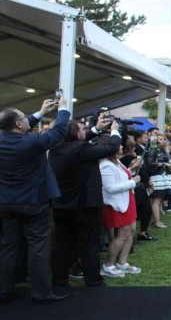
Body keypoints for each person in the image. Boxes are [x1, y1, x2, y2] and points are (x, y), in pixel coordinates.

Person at [0, 96, 70, 303]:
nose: (28, 119)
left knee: (8, 247)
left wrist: (40, 113)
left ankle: (4, 289)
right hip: (35, 202)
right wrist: (63, 110)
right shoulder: (32, 142)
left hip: (5, 202)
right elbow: (58, 132)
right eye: (25, 117)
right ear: (19, 124)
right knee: (38, 248)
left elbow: (15, 124)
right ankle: (41, 292)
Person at [47, 115, 121, 288]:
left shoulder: (56, 149)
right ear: (74, 133)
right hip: (84, 205)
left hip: (61, 205)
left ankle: (59, 281)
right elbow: (111, 147)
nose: (85, 132)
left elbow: (76, 144)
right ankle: (93, 281)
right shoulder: (81, 149)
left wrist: (96, 129)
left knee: (62, 244)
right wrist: (115, 131)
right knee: (88, 244)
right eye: (82, 129)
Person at [99, 136, 142, 278]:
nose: (122, 147)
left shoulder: (116, 162)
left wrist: (132, 169)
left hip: (126, 200)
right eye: (119, 145)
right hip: (115, 204)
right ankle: (108, 265)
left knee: (131, 231)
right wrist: (133, 182)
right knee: (122, 234)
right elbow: (110, 188)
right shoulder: (106, 164)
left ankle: (122, 262)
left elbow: (122, 177)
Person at [145, 134, 171, 228]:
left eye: (164, 139)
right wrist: (164, 164)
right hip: (156, 176)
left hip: (163, 176)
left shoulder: (162, 150)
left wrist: (167, 154)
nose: (163, 141)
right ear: (155, 141)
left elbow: (169, 160)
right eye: (161, 139)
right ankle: (156, 222)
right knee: (156, 200)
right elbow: (150, 164)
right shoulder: (152, 149)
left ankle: (157, 221)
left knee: (160, 199)